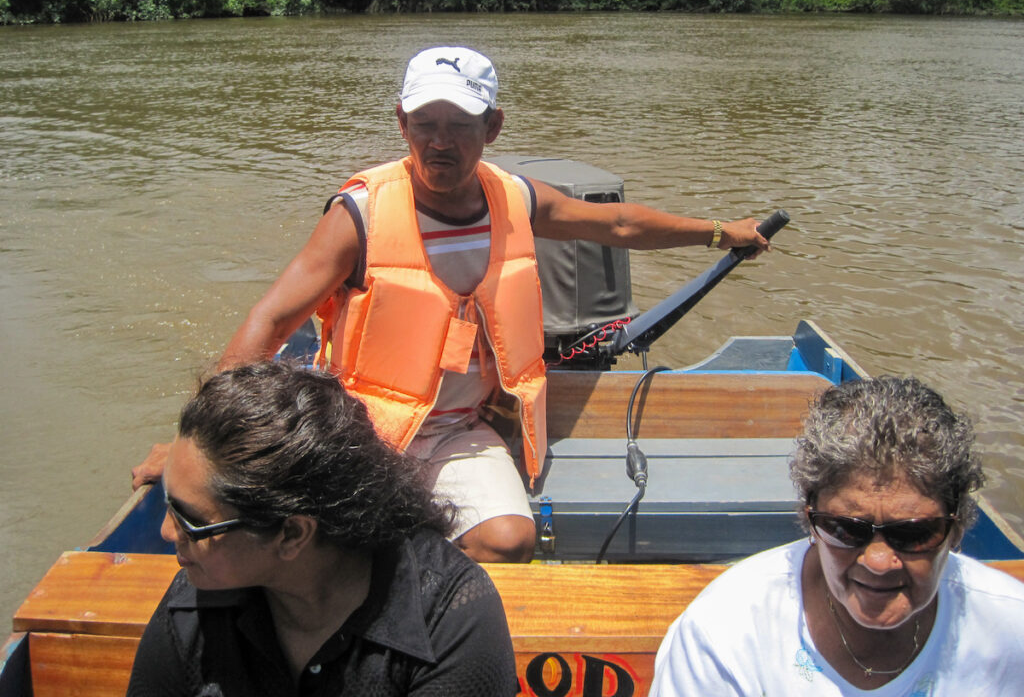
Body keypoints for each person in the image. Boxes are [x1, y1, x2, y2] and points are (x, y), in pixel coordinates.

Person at [132, 45, 772, 563]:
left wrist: (721, 233)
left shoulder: (513, 197)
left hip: (462, 428)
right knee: (317, 552)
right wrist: (193, 441)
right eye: (425, 125)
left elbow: (619, 226)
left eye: (460, 126)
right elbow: (271, 321)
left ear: (491, 127)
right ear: (402, 124)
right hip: (363, 427)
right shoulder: (358, 214)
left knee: (508, 541)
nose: (441, 143)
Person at [126, 360, 519, 697]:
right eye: (168, 504)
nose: (165, 532)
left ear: (293, 534)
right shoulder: (194, 606)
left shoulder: (448, 622)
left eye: (191, 521)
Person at [649, 375, 1024, 696]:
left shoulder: (1011, 627)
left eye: (912, 535)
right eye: (847, 530)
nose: (878, 562)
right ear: (809, 519)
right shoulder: (723, 633)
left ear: (956, 526)